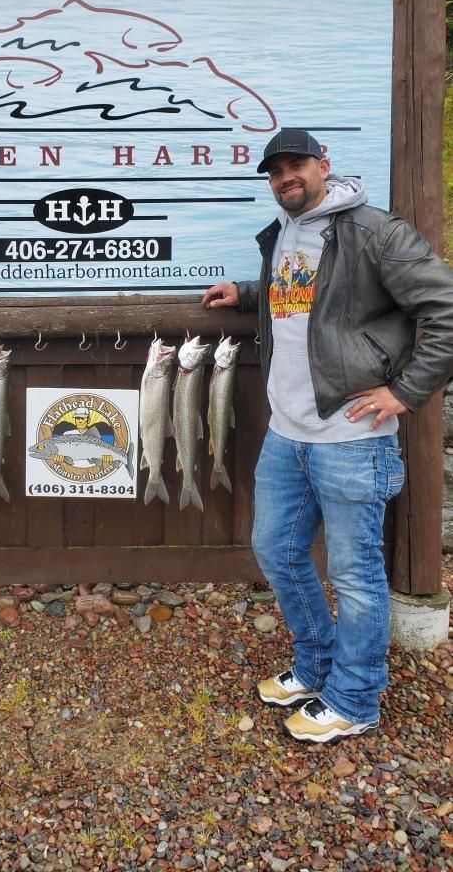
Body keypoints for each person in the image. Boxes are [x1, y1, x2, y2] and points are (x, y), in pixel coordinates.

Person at [202, 128, 453, 743]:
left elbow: (445, 310)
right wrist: (249, 293)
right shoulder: (285, 235)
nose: (286, 177)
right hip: (286, 434)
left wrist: (405, 392)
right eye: (276, 170)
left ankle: (356, 698)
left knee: (355, 574)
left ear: (324, 165)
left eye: (297, 165)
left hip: (353, 437)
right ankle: (315, 668)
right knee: (277, 551)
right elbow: (313, 303)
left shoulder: (375, 231)